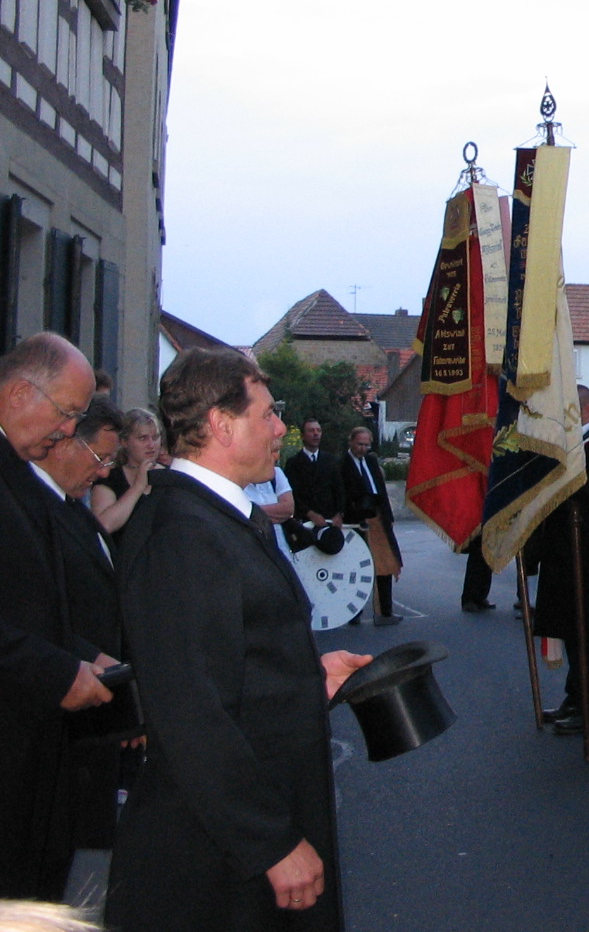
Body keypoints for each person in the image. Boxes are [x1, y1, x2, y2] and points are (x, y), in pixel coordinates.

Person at [106, 348, 370, 931]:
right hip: (216, 864)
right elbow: (190, 713)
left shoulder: (212, 517)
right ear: (223, 425)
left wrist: (308, 678)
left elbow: (229, 657)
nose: (280, 427)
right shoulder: (183, 534)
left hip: (236, 844)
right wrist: (270, 842)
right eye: (268, 414)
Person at [0, 333, 108, 902]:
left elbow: (31, 603)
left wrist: (84, 656)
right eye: (67, 414)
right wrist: (56, 670)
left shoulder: (19, 470)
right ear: (20, 393)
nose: (69, 431)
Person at [34, 398, 129, 878]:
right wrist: (97, 662)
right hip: (64, 712)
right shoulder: (37, 512)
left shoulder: (72, 510)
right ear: (66, 443)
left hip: (95, 706)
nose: (104, 472)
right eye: (100, 459)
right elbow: (38, 617)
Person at [526, 386, 589, 735]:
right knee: (570, 632)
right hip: (563, 557)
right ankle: (574, 697)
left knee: (585, 636)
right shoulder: (571, 448)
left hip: (586, 560)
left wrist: (574, 479)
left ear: (583, 410)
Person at [341, 428, 402, 626]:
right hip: (356, 519)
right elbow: (341, 493)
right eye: (360, 444)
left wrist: (388, 517)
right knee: (357, 568)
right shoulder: (342, 464)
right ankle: (354, 613)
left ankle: (385, 611)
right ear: (350, 442)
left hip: (378, 517)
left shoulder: (371, 461)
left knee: (385, 563)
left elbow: (381, 491)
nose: (363, 449)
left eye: (367, 445)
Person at [87, 408, 161, 537]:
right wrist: (138, 487)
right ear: (124, 442)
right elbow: (103, 526)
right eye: (143, 438)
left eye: (155, 437)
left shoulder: (171, 475)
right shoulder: (110, 479)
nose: (151, 445)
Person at [282, 419, 343, 530]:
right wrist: (310, 513)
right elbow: (292, 494)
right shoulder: (294, 463)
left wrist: (339, 514)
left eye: (318, 430)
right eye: (311, 431)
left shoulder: (331, 460)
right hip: (305, 523)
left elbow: (339, 489)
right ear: (303, 435)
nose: (316, 434)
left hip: (330, 521)